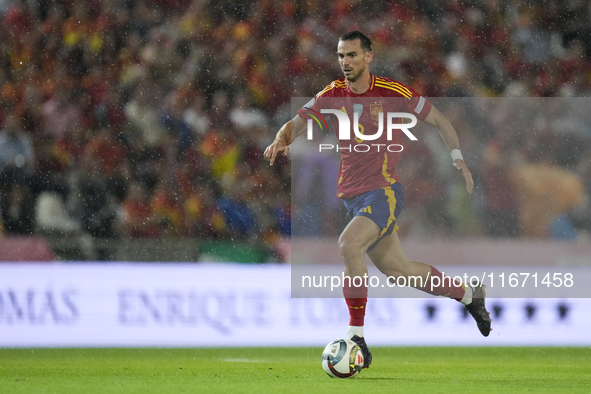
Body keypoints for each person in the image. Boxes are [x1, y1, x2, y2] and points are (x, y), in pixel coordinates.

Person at [264, 31, 492, 368]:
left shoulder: (392, 92)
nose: (345, 62)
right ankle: (469, 294)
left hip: (383, 192)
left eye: (352, 55)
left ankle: (356, 337)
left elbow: (439, 120)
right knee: (400, 271)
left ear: (369, 56)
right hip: (353, 199)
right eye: (341, 56)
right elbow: (296, 123)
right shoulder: (332, 94)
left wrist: (457, 156)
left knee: (348, 245)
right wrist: (280, 139)